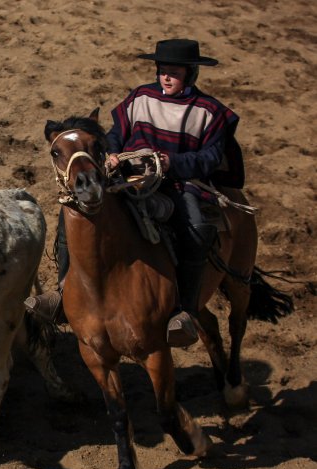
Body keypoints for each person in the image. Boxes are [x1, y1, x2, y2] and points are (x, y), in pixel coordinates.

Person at [26, 39, 244, 347]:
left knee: (196, 227)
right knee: (74, 212)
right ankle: (62, 292)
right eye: (163, 71)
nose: (166, 78)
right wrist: (112, 153)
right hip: (130, 177)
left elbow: (210, 158)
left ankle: (185, 310)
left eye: (175, 73)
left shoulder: (210, 112)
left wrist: (174, 162)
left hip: (181, 184)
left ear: (191, 74)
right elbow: (116, 135)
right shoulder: (140, 97)